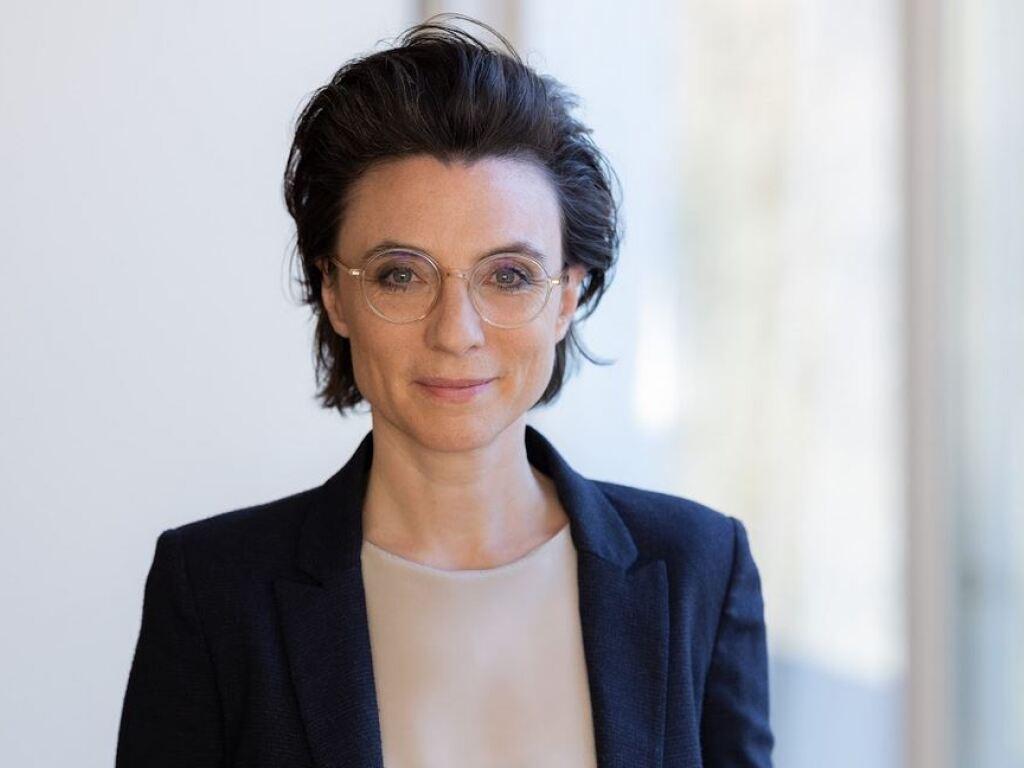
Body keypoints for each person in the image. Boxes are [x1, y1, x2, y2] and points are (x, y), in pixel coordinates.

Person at [115, 14, 774, 768]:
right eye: (401, 274)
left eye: (508, 275)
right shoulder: (214, 591)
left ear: (566, 297)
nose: (455, 331)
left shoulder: (699, 569)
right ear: (334, 292)